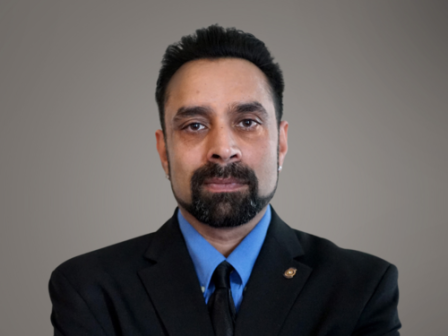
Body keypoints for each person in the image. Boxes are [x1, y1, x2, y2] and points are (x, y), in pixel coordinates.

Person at [49, 25, 401, 336]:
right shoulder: (90, 289)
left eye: (247, 122)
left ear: (280, 143)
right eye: (194, 126)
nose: (223, 149)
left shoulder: (361, 287)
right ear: (163, 151)